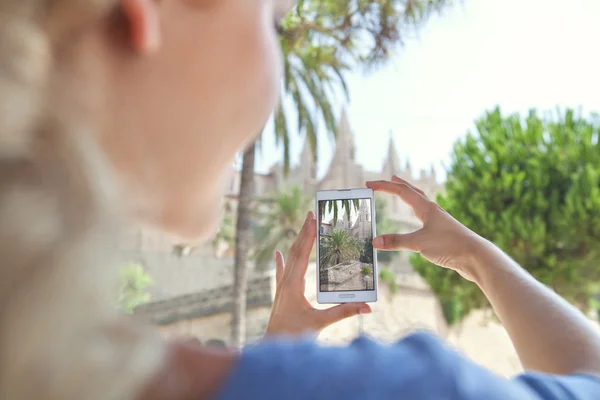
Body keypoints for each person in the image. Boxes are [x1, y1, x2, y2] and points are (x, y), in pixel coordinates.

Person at [0, 0, 599, 399]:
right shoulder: (396, 388)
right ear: (146, 11)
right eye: (275, 20)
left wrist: (277, 354)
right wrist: (478, 258)